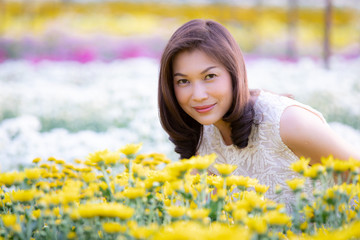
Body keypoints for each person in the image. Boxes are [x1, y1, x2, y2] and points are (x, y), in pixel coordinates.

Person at [157, 19, 360, 211]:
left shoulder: (288, 123)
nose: (198, 95)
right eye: (183, 81)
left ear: (234, 74)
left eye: (210, 76)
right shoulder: (203, 138)